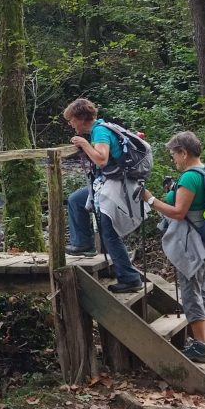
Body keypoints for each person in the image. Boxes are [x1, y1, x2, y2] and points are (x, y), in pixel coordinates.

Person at [142, 131, 205, 364]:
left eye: (174, 155)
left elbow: (178, 212)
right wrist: (171, 191)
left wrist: (149, 199)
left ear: (184, 152)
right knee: (203, 289)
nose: (173, 160)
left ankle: (199, 346)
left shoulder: (189, 177)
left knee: (190, 293)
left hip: (193, 244)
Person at [63, 97, 144, 294]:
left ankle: (130, 278)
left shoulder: (99, 131)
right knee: (76, 200)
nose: (70, 124)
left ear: (81, 118)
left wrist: (83, 143)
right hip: (109, 184)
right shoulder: (102, 128)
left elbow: (101, 159)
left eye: (71, 119)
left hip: (114, 187)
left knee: (109, 233)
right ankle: (83, 244)